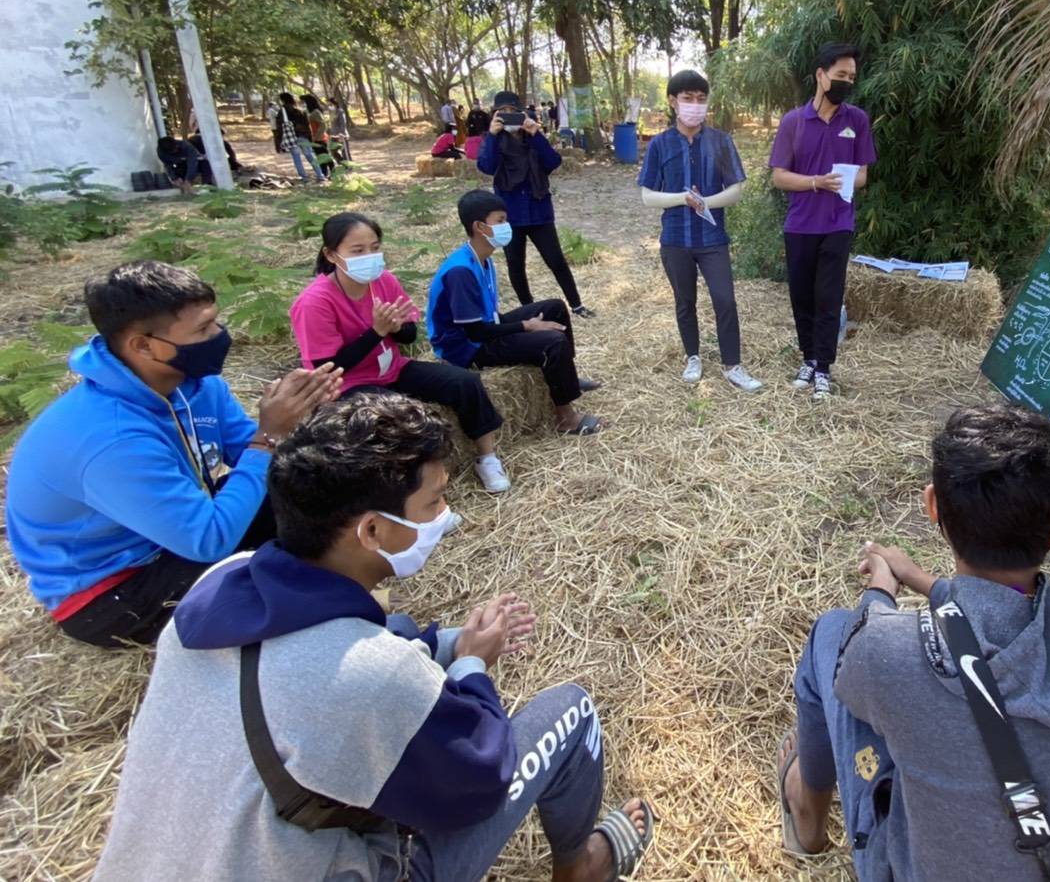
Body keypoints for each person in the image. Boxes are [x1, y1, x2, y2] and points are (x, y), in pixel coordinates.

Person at [92, 394, 656, 882]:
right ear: (371, 530)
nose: (445, 514)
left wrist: (447, 641)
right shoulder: (376, 674)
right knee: (573, 712)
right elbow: (480, 780)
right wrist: (471, 667)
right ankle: (582, 865)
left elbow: (344, 652)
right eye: (433, 502)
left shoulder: (219, 584)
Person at [779, 403, 1050, 881]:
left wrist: (880, 590)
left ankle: (805, 814)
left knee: (831, 634)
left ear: (931, 506)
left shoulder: (886, 655)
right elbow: (998, 615)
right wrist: (926, 581)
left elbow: (863, 650)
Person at [3, 260, 341, 648]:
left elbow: (251, 451)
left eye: (215, 321)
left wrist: (303, 420)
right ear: (144, 346)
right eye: (202, 329)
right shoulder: (110, 439)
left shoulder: (194, 385)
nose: (219, 336)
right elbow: (208, 539)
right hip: (113, 589)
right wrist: (269, 436)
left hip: (176, 533)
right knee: (281, 581)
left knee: (311, 490)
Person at [290, 212, 512, 494]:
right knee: (403, 419)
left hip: (391, 369)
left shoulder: (383, 281)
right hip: (346, 384)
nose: (369, 256)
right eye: (357, 251)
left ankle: (487, 458)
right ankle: (416, 496)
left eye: (374, 248)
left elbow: (409, 334)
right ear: (331, 255)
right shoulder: (314, 302)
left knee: (465, 382)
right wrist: (376, 332)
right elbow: (328, 366)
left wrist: (394, 328)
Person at [428, 190, 602, 436]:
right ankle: (566, 418)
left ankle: (567, 379)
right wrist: (526, 326)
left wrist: (524, 325)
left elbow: (487, 320)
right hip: (466, 348)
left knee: (554, 307)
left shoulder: (481, 259)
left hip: (485, 329)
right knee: (552, 340)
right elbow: (475, 331)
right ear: (480, 226)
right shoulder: (461, 271)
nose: (507, 226)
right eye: (500, 221)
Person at [638, 69, 761, 392]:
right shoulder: (660, 145)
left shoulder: (721, 141)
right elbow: (648, 196)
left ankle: (733, 364)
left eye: (701, 99)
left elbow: (736, 190)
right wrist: (683, 198)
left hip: (713, 239)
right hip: (675, 239)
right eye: (688, 99)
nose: (695, 105)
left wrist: (705, 201)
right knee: (684, 301)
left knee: (725, 299)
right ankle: (693, 356)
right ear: (672, 101)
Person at [768, 42, 876, 400]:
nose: (846, 81)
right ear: (820, 75)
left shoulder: (856, 120)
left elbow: (862, 176)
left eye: (851, 76)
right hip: (800, 225)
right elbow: (779, 176)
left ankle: (824, 370)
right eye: (840, 75)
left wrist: (842, 180)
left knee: (828, 298)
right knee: (802, 297)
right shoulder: (794, 122)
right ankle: (809, 358)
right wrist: (815, 182)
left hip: (837, 223)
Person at [477, 90, 595, 318]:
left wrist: (536, 134)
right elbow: (487, 167)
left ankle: (577, 305)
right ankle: (529, 309)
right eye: (503, 113)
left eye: (514, 112)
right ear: (495, 115)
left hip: (539, 210)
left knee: (556, 260)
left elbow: (553, 161)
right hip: (508, 214)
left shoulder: (533, 139)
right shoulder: (493, 141)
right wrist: (492, 135)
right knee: (515, 264)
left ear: (522, 114)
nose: (508, 117)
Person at [276, 93, 328, 185]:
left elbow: (280, 128)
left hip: (291, 137)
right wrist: (309, 137)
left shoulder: (282, 111)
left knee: (297, 158)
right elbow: (306, 125)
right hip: (303, 136)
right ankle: (320, 175)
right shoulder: (299, 111)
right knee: (310, 156)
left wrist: (279, 142)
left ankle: (304, 178)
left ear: (283, 100)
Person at [302, 93, 336, 178]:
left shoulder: (316, 112)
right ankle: (324, 173)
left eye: (304, 102)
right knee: (320, 156)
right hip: (316, 138)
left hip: (320, 138)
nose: (303, 104)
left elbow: (323, 125)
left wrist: (317, 136)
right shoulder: (312, 112)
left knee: (325, 156)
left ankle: (333, 173)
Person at [328, 95, 353, 162]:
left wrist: (341, 134)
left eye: (330, 104)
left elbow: (343, 123)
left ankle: (349, 165)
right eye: (328, 104)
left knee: (345, 151)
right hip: (333, 135)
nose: (329, 106)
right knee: (333, 151)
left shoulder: (340, 111)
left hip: (341, 135)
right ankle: (342, 163)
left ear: (334, 104)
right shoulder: (331, 113)